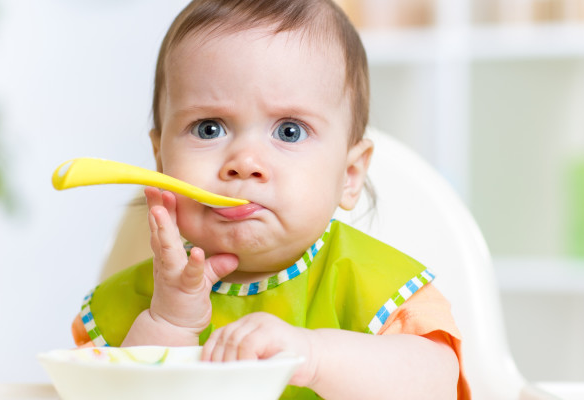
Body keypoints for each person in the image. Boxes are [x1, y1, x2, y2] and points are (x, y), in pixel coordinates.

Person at [71, 0, 469, 398]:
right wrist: (169, 322)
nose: (244, 163)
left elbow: (436, 385)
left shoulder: (371, 286)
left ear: (349, 176)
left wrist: (314, 357)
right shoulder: (140, 298)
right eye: (209, 129)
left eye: (289, 131)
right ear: (161, 161)